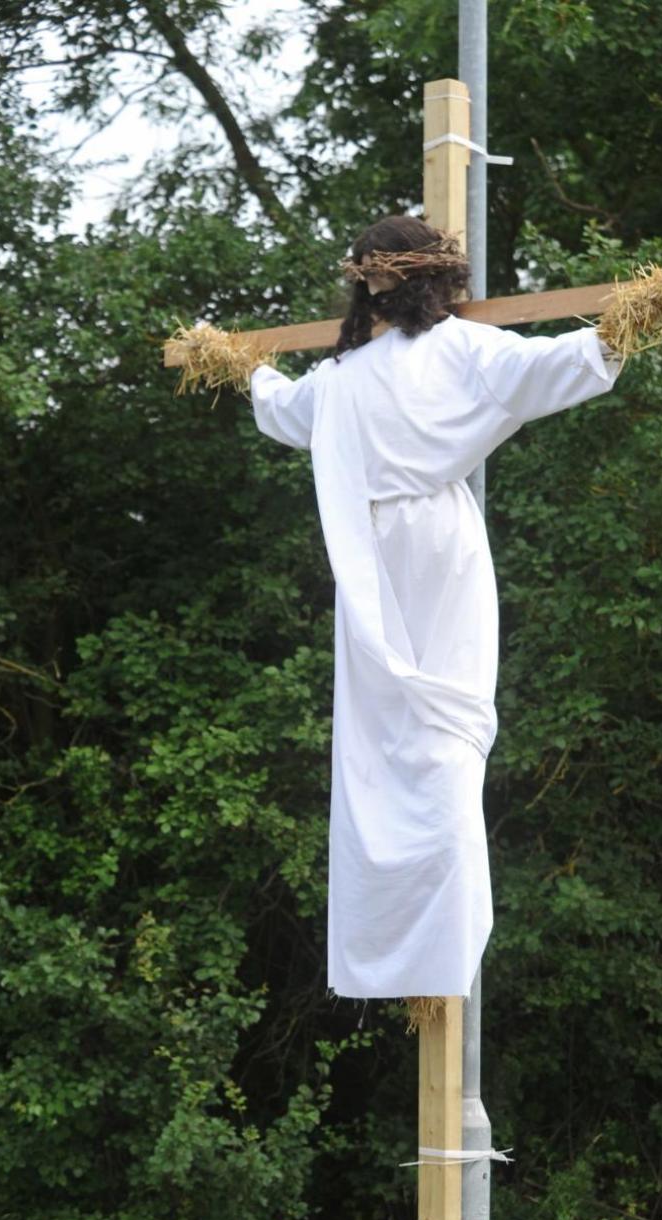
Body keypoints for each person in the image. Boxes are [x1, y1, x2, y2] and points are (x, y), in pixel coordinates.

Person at [250, 215, 622, 1001]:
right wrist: (626, 327)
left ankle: (399, 945)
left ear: (371, 285)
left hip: (370, 560)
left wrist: (242, 367)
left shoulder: (342, 380)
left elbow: (284, 409)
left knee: (379, 742)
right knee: (449, 730)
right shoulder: (463, 348)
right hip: (442, 549)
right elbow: (557, 364)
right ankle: (438, 947)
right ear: (436, 279)